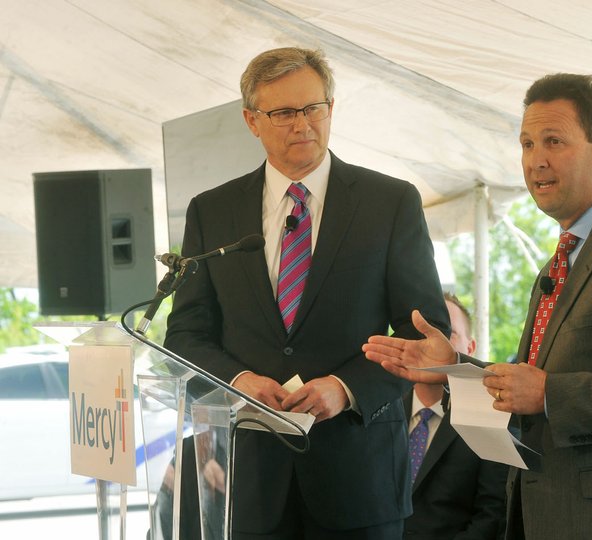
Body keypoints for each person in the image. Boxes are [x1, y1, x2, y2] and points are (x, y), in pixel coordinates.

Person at [364, 73, 592, 539]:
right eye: (527, 144)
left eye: (554, 142)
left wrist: (550, 393)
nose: (536, 161)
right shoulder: (563, 258)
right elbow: (526, 386)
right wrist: (453, 366)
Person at [164, 46, 449, 539]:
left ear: (332, 109)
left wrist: (346, 389)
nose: (303, 124)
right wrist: (238, 381)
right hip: (247, 484)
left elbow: (423, 333)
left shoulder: (389, 203)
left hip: (358, 482)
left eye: (314, 108)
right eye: (284, 113)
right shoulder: (212, 211)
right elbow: (186, 334)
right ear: (252, 121)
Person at [404, 292, 507, 539]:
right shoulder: (381, 411)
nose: (431, 344)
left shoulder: (488, 417)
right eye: (423, 333)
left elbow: (492, 515)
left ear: (469, 348)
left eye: (446, 333)